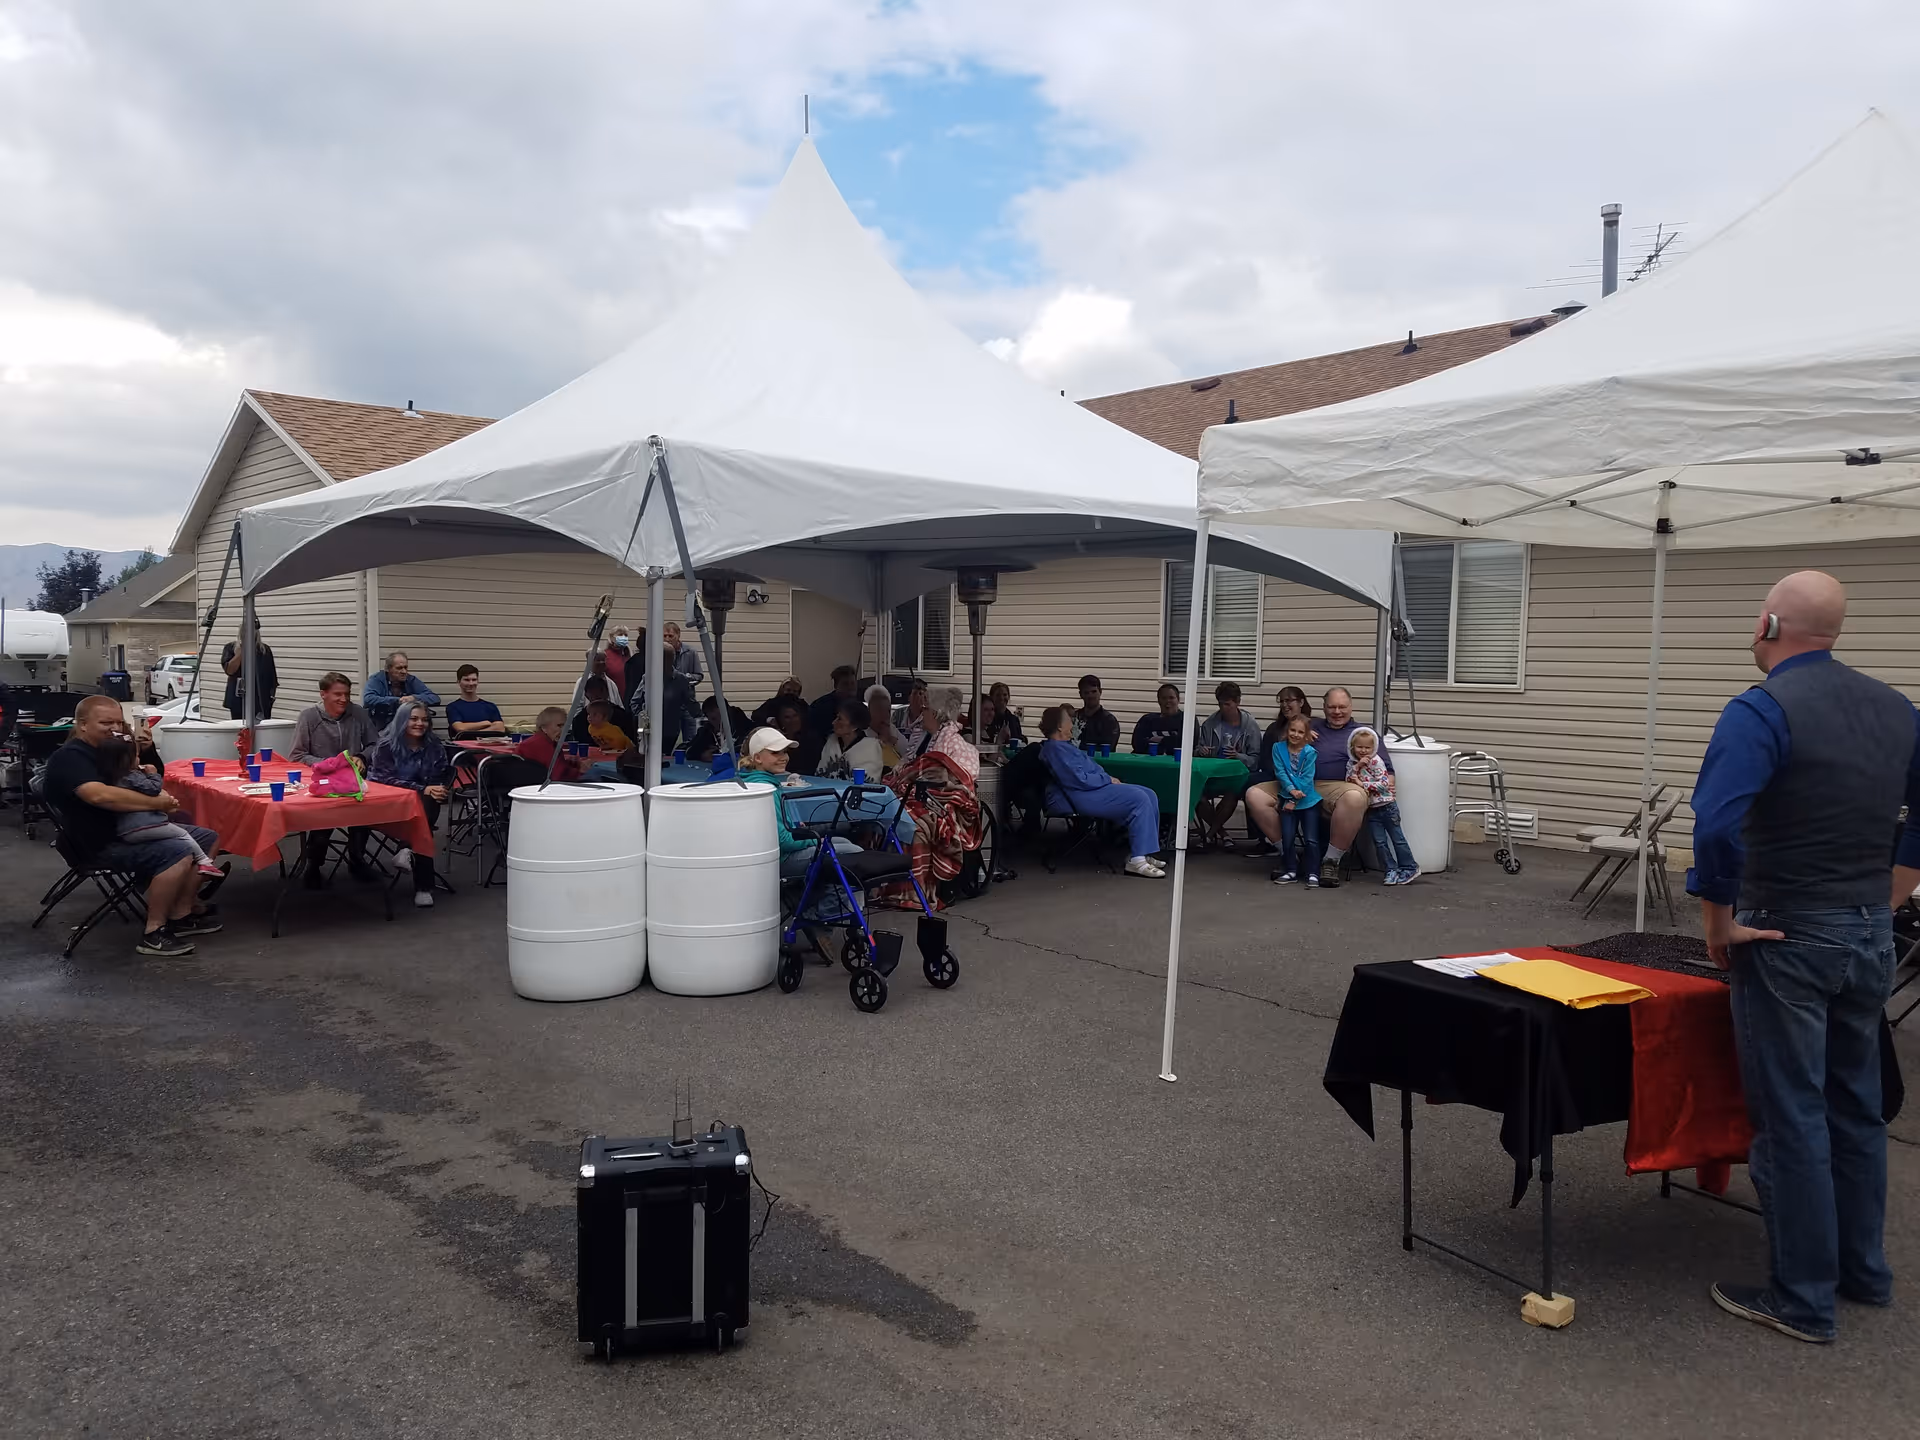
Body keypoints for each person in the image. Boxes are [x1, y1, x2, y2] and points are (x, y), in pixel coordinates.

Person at [1685, 571, 1920, 1345]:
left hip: (1785, 933)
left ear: (1771, 623)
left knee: (1791, 1117)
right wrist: (1880, 903)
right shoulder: (1898, 710)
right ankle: (1863, 1273)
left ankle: (1802, 1298)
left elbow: (1717, 826)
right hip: (1866, 936)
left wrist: (1719, 922)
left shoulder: (1761, 708)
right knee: (1854, 1109)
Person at [41, 696, 224, 956]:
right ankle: (154, 933)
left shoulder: (113, 748)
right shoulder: (71, 757)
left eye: (119, 721)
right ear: (82, 725)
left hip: (135, 830)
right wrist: (156, 804)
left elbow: (148, 777)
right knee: (177, 851)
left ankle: (181, 913)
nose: (115, 727)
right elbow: (99, 795)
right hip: (100, 842)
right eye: (106, 722)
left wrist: (147, 750)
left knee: (207, 838)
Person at [882, 685, 986, 908]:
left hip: (939, 803)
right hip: (912, 795)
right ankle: (887, 884)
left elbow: (961, 781)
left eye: (926, 710)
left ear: (937, 713)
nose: (922, 715)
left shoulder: (957, 743)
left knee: (917, 825)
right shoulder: (921, 738)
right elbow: (907, 768)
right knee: (882, 812)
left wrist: (921, 775)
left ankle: (915, 890)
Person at [1038, 704, 1164, 878]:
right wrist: (1107, 780)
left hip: (1088, 790)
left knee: (1149, 794)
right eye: (1068, 720)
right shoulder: (1054, 749)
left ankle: (1145, 851)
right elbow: (1078, 779)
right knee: (1139, 798)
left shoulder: (1065, 746)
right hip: (1074, 797)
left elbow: (1090, 770)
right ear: (1059, 726)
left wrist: (1107, 778)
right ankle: (1136, 861)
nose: (1072, 723)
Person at [289, 672, 381, 885]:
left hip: (355, 780)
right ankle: (313, 865)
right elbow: (297, 755)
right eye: (337, 694)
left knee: (363, 812)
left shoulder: (358, 714)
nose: (344, 699)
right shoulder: (309, 717)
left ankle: (357, 859)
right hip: (322, 781)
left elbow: (375, 744)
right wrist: (328, 764)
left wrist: (360, 757)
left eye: (347, 694)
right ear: (323, 694)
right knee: (324, 818)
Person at [737, 725, 861, 880]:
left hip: (775, 855)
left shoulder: (756, 781)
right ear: (757, 758)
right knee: (852, 853)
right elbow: (783, 842)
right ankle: (833, 904)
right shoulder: (765, 789)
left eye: (785, 752)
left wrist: (798, 830)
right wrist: (814, 840)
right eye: (775, 752)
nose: (784, 757)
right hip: (780, 860)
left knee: (842, 842)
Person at [101, 736, 224, 878]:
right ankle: (204, 862)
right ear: (126, 759)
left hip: (126, 829)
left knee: (182, 831)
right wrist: (153, 775)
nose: (139, 759)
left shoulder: (111, 777)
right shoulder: (131, 775)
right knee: (183, 835)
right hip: (146, 825)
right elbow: (153, 788)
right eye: (136, 756)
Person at [368, 698, 451, 908]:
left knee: (427, 804)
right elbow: (382, 779)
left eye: (424, 720)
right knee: (424, 813)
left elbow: (439, 774)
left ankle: (406, 850)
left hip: (421, 804)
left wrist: (439, 788)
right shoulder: (386, 745)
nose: (419, 724)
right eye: (413, 719)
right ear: (402, 720)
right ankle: (423, 887)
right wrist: (423, 789)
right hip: (389, 802)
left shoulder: (434, 745)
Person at [1311, 687, 1387, 889]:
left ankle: (1330, 861)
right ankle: (1288, 857)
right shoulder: (1311, 725)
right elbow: (1286, 733)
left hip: (1342, 787)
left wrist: (1387, 790)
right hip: (1301, 783)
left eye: (1342, 707)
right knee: (1256, 795)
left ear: (1351, 707)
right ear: (1324, 707)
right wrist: (1300, 732)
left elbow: (1387, 770)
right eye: (1332, 707)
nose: (1337, 711)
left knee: (1354, 797)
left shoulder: (1363, 735)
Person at [1345, 727, 1420, 885]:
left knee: (1397, 838)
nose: (1363, 751)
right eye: (1359, 747)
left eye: (1367, 747)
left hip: (1387, 806)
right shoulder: (1352, 764)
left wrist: (1362, 783)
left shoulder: (1376, 761)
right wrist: (1357, 767)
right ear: (1352, 747)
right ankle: (1390, 870)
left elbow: (1384, 784)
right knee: (1379, 842)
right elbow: (1348, 780)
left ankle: (1409, 866)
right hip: (1372, 809)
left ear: (1373, 748)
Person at [1194, 681, 1262, 851]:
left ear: (1237, 701)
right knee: (1196, 795)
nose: (1224, 708)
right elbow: (1198, 750)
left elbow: (1256, 759)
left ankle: (1209, 836)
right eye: (1220, 704)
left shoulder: (1249, 725)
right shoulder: (1210, 723)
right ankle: (1222, 833)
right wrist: (1201, 751)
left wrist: (1238, 756)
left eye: (1227, 704)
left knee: (1231, 795)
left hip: (1237, 775)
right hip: (1213, 773)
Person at [1245, 687, 1313, 858]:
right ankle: (1264, 840)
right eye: (1281, 701)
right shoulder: (1274, 728)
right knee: (1250, 781)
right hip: (1276, 776)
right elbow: (1265, 759)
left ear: (1301, 702)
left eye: (1289, 700)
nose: (1284, 705)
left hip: (1306, 779)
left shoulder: (1313, 725)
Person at [1267, 715, 1324, 884]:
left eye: (1301, 732)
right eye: (1293, 730)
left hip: (1308, 802)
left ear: (1306, 735)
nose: (1296, 735)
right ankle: (1291, 869)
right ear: (1287, 731)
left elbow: (1307, 779)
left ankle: (1313, 872)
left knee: (1311, 839)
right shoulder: (1278, 748)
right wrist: (1291, 791)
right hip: (1287, 797)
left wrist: (1295, 801)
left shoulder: (1310, 752)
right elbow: (1281, 772)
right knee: (1288, 837)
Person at [363, 651, 441, 728]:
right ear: (388, 669)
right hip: (381, 725)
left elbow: (435, 698)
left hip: (406, 727)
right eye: (399, 668)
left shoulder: (411, 680)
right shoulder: (376, 679)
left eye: (405, 667)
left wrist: (414, 698)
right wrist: (398, 701)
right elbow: (368, 699)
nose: (404, 671)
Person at [818, 700, 885, 780]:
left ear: (854, 726)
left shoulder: (870, 747)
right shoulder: (832, 741)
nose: (833, 722)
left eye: (839, 719)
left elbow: (867, 783)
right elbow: (820, 774)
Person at [515, 706, 585, 782]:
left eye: (565, 726)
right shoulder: (540, 744)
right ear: (544, 728)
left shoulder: (547, 741)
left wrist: (573, 764)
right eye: (559, 726)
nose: (564, 730)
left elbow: (556, 765)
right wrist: (581, 771)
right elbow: (558, 776)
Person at [220, 630, 278, 719]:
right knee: (240, 728)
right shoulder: (231, 648)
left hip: (260, 701)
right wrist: (240, 653)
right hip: (238, 701)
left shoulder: (264, 650)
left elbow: (272, 678)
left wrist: (270, 699)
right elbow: (230, 670)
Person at [569, 679, 637, 748]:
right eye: (592, 690)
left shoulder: (623, 716)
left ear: (607, 692)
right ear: (586, 694)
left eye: (600, 690)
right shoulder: (579, 721)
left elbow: (630, 740)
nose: (597, 693)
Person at [445, 664, 505, 736]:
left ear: (478, 681)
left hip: (488, 747)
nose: (471, 683)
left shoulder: (490, 706)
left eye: (474, 680)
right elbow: (460, 728)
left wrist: (474, 734)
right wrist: (486, 723)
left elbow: (500, 728)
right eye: (467, 680)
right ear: (458, 682)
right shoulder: (453, 707)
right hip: (463, 747)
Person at [688, 694, 751, 763]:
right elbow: (690, 751)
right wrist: (702, 755)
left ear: (728, 712)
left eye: (721, 716)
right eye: (713, 719)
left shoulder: (744, 730)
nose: (719, 722)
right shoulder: (707, 731)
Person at [1071, 674, 1121, 752]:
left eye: (1094, 691)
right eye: (1086, 692)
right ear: (1081, 694)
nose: (1090, 696)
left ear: (1100, 692)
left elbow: (1107, 748)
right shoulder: (1074, 718)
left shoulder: (1109, 721)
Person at [1132, 684, 1184, 754]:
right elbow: (1137, 744)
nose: (1167, 701)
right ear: (1159, 701)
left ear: (1178, 700)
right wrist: (1169, 742)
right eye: (1164, 698)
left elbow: (1186, 744)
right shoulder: (1147, 720)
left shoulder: (1186, 720)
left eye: (1171, 698)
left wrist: (1161, 740)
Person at [864, 684, 903, 770]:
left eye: (888, 711)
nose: (885, 715)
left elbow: (908, 752)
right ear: (869, 712)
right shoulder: (863, 733)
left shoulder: (892, 729)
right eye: (880, 710)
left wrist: (892, 740)